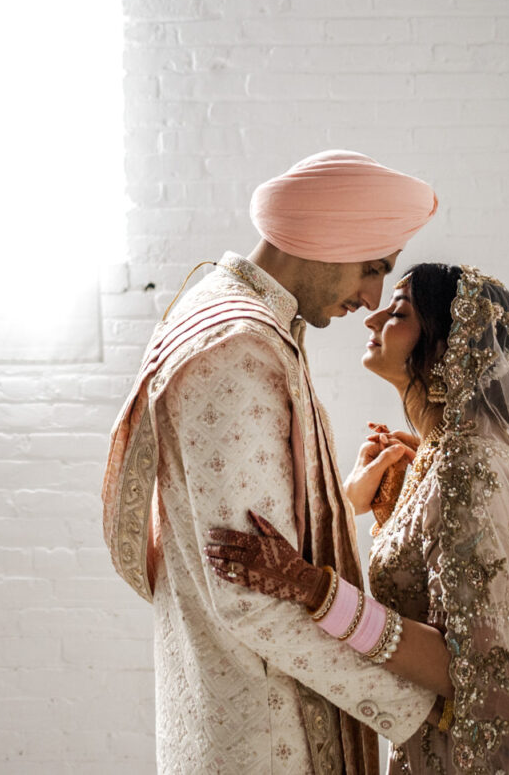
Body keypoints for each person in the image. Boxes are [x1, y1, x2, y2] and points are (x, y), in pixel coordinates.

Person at [206, 264, 509, 775]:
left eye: (398, 312)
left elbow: (476, 666)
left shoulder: (468, 467)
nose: (372, 319)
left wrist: (310, 588)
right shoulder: (446, 459)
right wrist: (388, 506)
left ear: (445, 349)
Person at [102, 150, 453, 775]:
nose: (372, 297)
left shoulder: (230, 312)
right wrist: (423, 707)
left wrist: (339, 501)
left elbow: (258, 537)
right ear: (324, 239)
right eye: (372, 268)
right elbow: (250, 593)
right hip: (264, 730)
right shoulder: (240, 345)